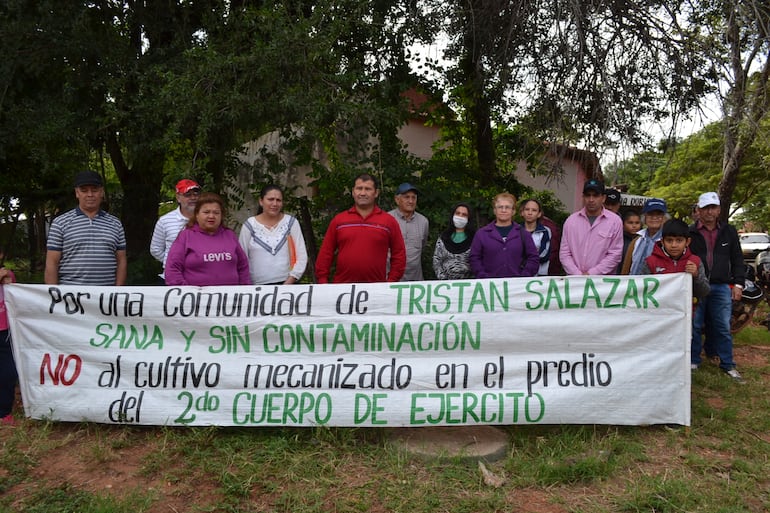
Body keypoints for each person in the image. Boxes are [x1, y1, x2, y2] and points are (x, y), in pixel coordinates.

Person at [689, 192, 746, 382]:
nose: (709, 212)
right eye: (705, 208)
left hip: (722, 286)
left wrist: (738, 283)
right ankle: (693, 361)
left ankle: (728, 364)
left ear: (719, 210)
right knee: (695, 325)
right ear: (698, 210)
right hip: (696, 286)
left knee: (722, 326)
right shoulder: (690, 232)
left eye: (713, 208)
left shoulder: (729, 231)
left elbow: (738, 258)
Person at [315, 173, 406, 283]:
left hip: (376, 289)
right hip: (342, 289)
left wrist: (391, 281)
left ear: (376, 193)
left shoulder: (388, 221)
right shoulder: (339, 220)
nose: (363, 193)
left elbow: (399, 254)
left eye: (368, 189)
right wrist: (322, 280)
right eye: (359, 188)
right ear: (353, 192)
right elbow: (326, 252)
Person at [45, 171, 127, 286]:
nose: (90, 194)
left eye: (94, 190)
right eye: (84, 190)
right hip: (71, 296)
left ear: (101, 192)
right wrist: (53, 295)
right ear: (77, 193)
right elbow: (52, 262)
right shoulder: (60, 223)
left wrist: (118, 292)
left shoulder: (115, 224)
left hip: (106, 297)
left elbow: (121, 261)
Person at [165, 192, 251, 286]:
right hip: (195, 298)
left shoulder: (229, 235)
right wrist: (186, 293)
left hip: (230, 298)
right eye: (206, 212)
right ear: (197, 214)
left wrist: (244, 290)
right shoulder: (185, 236)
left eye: (216, 213)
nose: (211, 216)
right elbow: (172, 269)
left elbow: (243, 266)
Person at [239, 185, 308, 285]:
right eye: (270, 199)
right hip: (257, 288)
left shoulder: (291, 223)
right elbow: (242, 258)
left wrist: (289, 282)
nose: (275, 204)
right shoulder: (250, 225)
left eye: (278, 200)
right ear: (261, 201)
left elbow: (301, 256)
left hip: (288, 286)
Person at [559, 179, 623, 275]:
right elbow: (565, 253)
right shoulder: (571, 221)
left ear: (603, 198)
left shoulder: (615, 222)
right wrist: (577, 275)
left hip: (602, 284)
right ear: (583, 197)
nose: (591, 200)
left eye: (595, 195)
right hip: (574, 283)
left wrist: (592, 274)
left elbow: (615, 254)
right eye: (588, 195)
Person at [640, 219, 710, 306]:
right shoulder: (650, 262)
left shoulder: (694, 261)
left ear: (687, 242)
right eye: (669, 240)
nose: (674, 245)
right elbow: (642, 291)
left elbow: (704, 292)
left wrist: (696, 276)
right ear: (662, 241)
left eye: (679, 240)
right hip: (658, 314)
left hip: (686, 314)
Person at [470, 193, 539, 278]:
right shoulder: (482, 234)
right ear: (494, 210)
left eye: (507, 207)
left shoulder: (524, 234)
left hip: (517, 287)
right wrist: (483, 276)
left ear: (513, 211)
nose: (503, 210)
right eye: (500, 207)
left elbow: (533, 258)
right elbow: (474, 258)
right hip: (489, 286)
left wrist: (524, 276)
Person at [150, 179, 201, 283]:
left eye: (196, 194)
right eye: (188, 195)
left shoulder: (207, 219)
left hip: (200, 276)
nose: (193, 198)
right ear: (178, 197)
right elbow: (156, 249)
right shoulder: (165, 221)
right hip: (170, 277)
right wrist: (172, 261)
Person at [389, 183, 429, 281]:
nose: (411, 201)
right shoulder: (388, 219)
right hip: (391, 280)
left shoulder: (423, 221)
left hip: (416, 282)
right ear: (397, 200)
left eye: (413, 198)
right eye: (406, 197)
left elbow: (423, 246)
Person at [622, 198, 668, 275]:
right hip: (633, 284)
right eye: (650, 214)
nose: (654, 217)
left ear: (664, 218)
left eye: (658, 214)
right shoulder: (637, 240)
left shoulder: (668, 240)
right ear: (644, 217)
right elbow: (626, 267)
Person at [433, 203, 476, 280]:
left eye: (464, 214)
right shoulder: (443, 237)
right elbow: (437, 261)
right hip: (445, 285)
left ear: (469, 218)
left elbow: (477, 260)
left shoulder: (475, 239)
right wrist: (444, 280)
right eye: (458, 213)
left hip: (469, 286)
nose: (460, 216)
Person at [0, 250, 17, 426]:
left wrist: (9, 283)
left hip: (5, 332)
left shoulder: (8, 275)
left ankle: (4, 411)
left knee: (9, 372)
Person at [519, 198, 552, 275]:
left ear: (539, 214)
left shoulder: (545, 231)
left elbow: (544, 254)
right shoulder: (516, 230)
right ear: (522, 212)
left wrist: (526, 259)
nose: (530, 213)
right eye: (527, 209)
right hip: (519, 274)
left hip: (539, 274)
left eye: (534, 210)